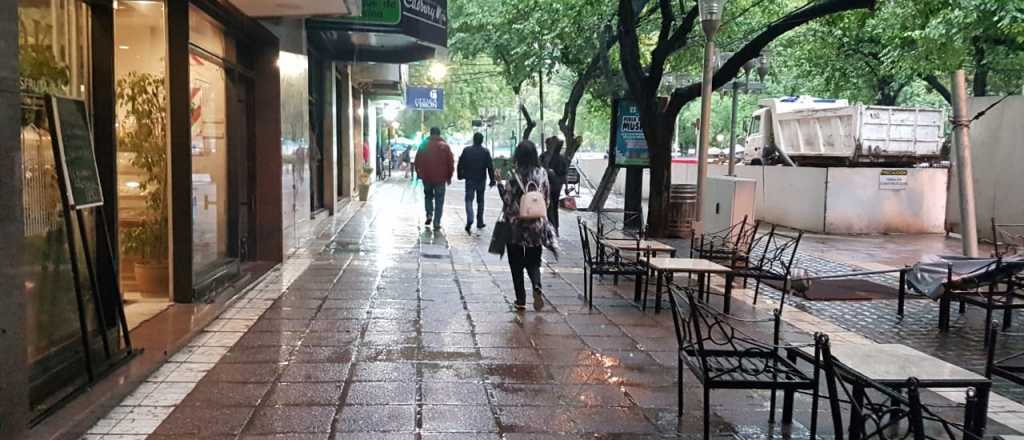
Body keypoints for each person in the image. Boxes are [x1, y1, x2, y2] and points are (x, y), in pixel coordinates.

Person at [498, 140, 558, 310]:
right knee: (534, 261)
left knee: (515, 263)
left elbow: (507, 200)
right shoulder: (542, 174)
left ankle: (521, 300)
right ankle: (537, 285)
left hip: (515, 227)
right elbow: (546, 200)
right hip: (536, 226)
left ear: (518, 156)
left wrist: (499, 185)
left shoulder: (514, 176)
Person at [457, 132, 496, 234]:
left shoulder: (467, 150)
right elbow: (490, 167)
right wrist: (492, 180)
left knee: (469, 200)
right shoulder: (485, 152)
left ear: (473, 139)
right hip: (481, 179)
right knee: (480, 201)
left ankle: (470, 217)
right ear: (482, 140)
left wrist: (460, 175)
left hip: (469, 179)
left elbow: (460, 164)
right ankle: (480, 221)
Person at [415, 127, 454, 229]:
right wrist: (449, 176)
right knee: (439, 200)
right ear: (439, 134)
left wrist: (419, 173)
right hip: (441, 179)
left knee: (428, 196)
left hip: (426, 177)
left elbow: (417, 160)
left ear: (430, 133)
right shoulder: (445, 146)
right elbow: (450, 163)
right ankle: (437, 222)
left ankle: (429, 214)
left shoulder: (424, 144)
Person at [540, 136, 570, 234]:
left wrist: (566, 187)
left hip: (554, 186)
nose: (548, 146)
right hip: (550, 185)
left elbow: (564, 173)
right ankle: (553, 227)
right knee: (551, 206)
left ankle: (553, 227)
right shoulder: (544, 156)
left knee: (552, 206)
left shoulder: (558, 158)